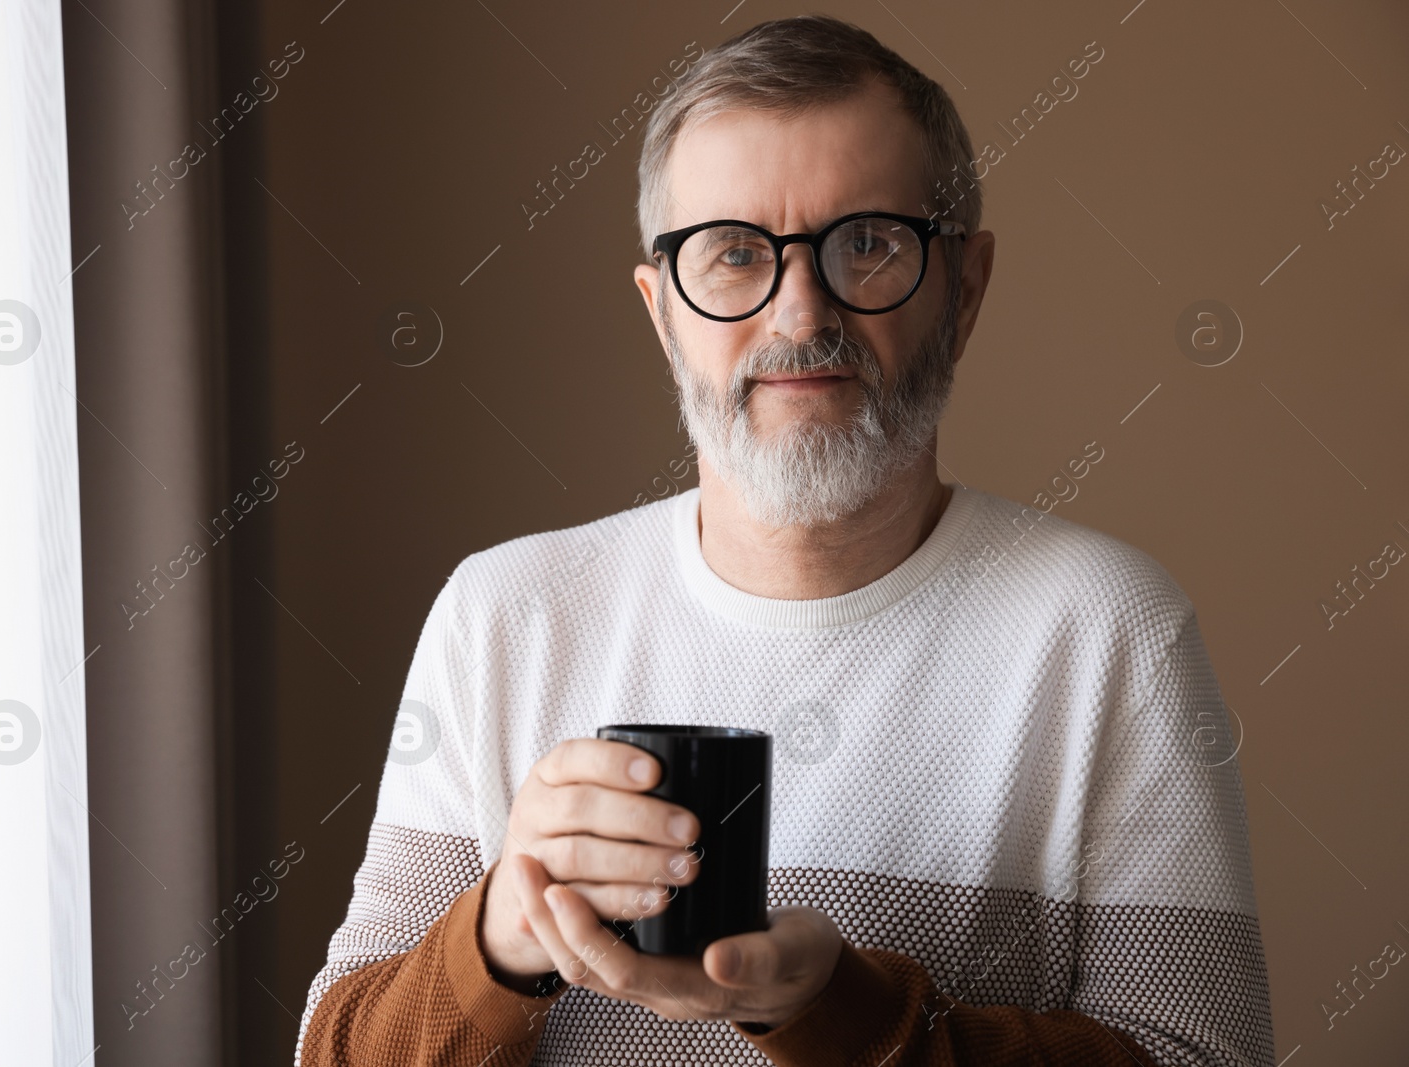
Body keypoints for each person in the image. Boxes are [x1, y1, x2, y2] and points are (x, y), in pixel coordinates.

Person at [295, 14, 1274, 1067]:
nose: (799, 311)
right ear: (662, 313)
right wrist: (499, 939)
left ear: (965, 288)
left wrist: (848, 1015)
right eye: (731, 255)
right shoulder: (506, 612)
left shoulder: (1108, 626)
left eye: (867, 243)